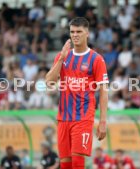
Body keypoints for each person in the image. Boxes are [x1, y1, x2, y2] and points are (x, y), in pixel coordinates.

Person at [45, 17, 109, 169]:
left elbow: (104, 92)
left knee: (78, 163)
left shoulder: (96, 59)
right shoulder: (63, 56)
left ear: (87, 33)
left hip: (83, 119)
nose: (75, 35)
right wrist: (61, 59)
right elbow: (49, 82)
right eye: (72, 32)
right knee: (65, 165)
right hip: (63, 119)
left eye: (79, 31)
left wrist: (103, 122)